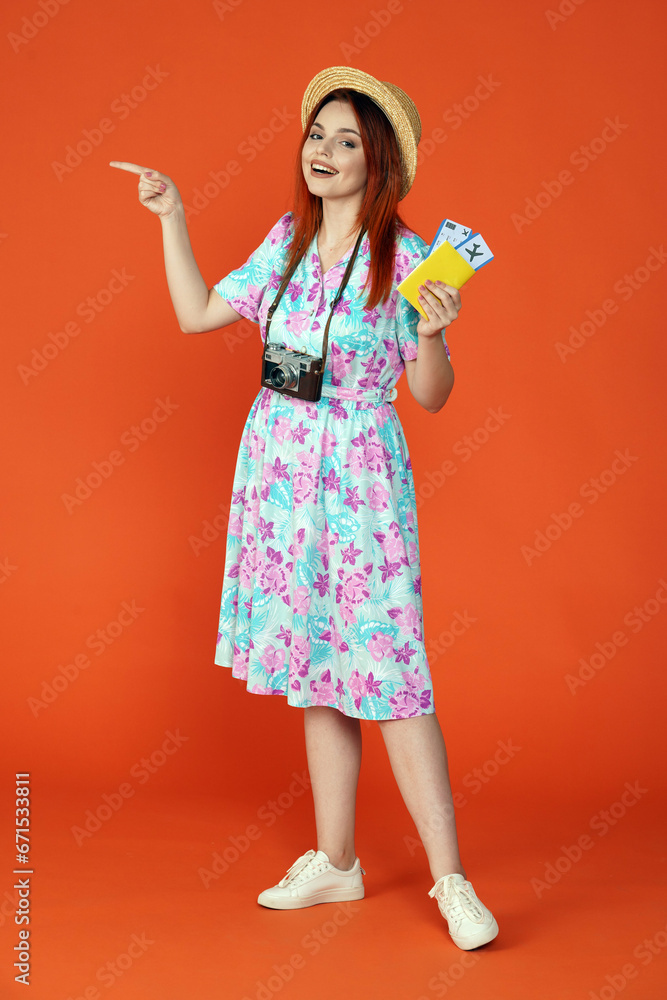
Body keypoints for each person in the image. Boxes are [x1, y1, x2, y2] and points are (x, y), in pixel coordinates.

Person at [110, 65, 498, 951]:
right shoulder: (285, 239)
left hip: (358, 473)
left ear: (380, 163)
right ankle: (336, 861)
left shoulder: (406, 258)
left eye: (345, 140)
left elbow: (430, 396)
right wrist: (172, 217)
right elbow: (199, 313)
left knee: (390, 674)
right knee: (316, 666)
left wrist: (431, 333)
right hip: (280, 469)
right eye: (315, 134)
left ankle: (450, 880)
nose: (321, 151)